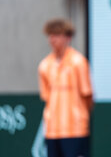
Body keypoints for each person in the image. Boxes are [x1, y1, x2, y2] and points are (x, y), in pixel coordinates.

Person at [38, 19, 93, 157]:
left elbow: (88, 95)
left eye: (57, 35)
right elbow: (46, 97)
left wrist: (79, 118)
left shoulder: (78, 62)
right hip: (52, 130)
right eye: (50, 35)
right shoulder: (44, 65)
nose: (52, 39)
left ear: (67, 37)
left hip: (75, 130)